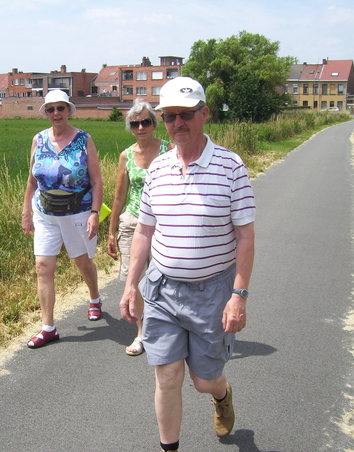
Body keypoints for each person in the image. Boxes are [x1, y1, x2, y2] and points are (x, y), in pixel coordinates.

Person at [119, 77, 256, 451]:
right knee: (166, 377)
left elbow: (245, 236)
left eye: (186, 115)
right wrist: (132, 285)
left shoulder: (231, 167)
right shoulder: (158, 169)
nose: (177, 123)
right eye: (169, 116)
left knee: (202, 379)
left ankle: (221, 393)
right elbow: (144, 231)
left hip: (213, 292)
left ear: (204, 114)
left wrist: (238, 295)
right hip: (162, 289)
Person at [22, 90, 104, 349]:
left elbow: (96, 180)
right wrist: (26, 211)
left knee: (82, 263)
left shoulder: (83, 139)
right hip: (45, 213)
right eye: (50, 109)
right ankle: (48, 328)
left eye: (60, 108)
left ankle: (94, 298)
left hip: (78, 212)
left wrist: (94, 213)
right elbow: (32, 179)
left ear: (69, 110)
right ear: (46, 112)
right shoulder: (38, 139)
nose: (56, 113)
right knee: (43, 268)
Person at [107, 98, 174, 356]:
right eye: (135, 123)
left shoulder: (169, 150)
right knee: (134, 281)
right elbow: (118, 196)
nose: (140, 127)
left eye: (146, 122)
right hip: (133, 221)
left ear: (154, 124)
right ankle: (141, 335)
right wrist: (111, 231)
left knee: (165, 278)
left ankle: (168, 327)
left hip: (163, 223)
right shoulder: (126, 155)